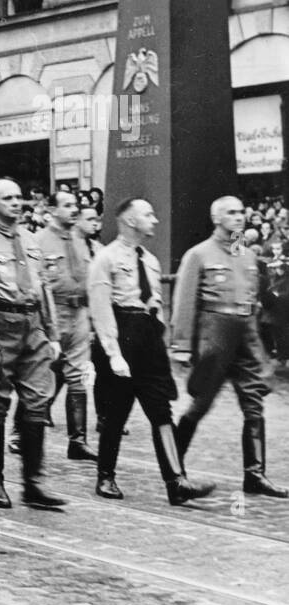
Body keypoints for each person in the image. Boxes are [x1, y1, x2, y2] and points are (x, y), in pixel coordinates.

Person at [88, 198, 214, 504]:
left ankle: (176, 481)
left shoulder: (151, 260)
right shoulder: (105, 259)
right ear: (130, 221)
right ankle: (105, 477)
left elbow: (153, 303)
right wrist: (113, 353)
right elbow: (101, 308)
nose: (155, 220)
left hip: (148, 342)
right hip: (121, 336)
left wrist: (158, 329)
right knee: (117, 411)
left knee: (161, 411)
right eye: (148, 214)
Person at [0, 178, 67, 509]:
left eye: (19, 197)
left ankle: (33, 483)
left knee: (37, 402)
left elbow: (44, 288)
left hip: (32, 326)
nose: (17, 203)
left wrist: (53, 333)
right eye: (8, 198)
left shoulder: (31, 241)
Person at [170, 196, 287, 498]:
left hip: (245, 333)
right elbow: (184, 302)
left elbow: (252, 301)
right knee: (200, 404)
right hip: (214, 334)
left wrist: (257, 347)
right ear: (216, 218)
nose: (238, 217)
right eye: (231, 213)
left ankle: (255, 474)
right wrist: (182, 346)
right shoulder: (199, 255)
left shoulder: (247, 256)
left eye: (240, 212)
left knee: (254, 402)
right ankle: (174, 472)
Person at [32, 191, 95, 461]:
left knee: (78, 376)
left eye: (75, 206)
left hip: (79, 312)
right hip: (52, 311)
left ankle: (78, 441)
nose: (73, 210)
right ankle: (19, 434)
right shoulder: (38, 242)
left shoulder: (83, 242)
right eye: (67, 205)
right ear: (52, 210)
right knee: (38, 376)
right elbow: (35, 283)